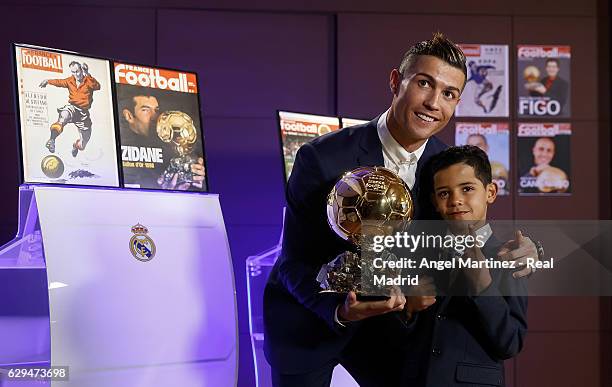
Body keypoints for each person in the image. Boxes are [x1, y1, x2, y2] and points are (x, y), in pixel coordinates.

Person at [264, 32, 537, 387]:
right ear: (396, 81)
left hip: (392, 333)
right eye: (424, 83)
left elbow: (467, 230)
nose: (433, 103)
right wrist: (339, 310)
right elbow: (294, 262)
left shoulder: (445, 165)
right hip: (310, 323)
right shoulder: (321, 158)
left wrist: (524, 251)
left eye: (449, 94)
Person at [399, 145, 527, 386]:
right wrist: (409, 309)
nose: (456, 200)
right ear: (435, 202)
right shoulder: (419, 252)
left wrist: (483, 286)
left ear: (490, 192)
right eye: (444, 193)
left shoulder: (511, 257)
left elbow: (510, 342)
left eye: (467, 189)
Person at [119, 91, 205, 190]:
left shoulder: (170, 144)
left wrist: (199, 178)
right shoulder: (121, 149)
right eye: (145, 110)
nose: (155, 117)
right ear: (128, 115)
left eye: (156, 110)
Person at [39, 61, 100, 157]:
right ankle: (52, 140)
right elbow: (59, 82)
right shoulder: (70, 80)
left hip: (83, 114)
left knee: (83, 144)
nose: (76, 74)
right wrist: (47, 81)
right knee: (63, 116)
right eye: (73, 72)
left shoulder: (88, 80)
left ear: (81, 70)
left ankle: (76, 146)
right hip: (72, 108)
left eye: (77, 71)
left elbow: (97, 86)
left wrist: (87, 73)